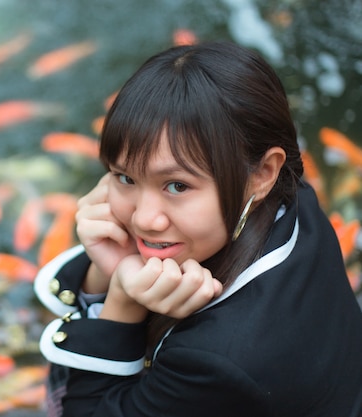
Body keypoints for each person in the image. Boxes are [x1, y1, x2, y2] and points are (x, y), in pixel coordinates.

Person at [34, 41, 362, 417]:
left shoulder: (216, 359)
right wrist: (106, 271)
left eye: (177, 185)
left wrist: (123, 302)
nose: (143, 219)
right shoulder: (291, 198)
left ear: (263, 173)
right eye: (125, 176)